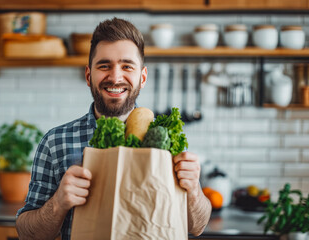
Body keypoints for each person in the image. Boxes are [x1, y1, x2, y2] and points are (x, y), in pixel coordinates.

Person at [16, 17, 212, 240]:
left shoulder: (167, 138)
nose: (116, 77)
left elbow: (197, 226)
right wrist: (58, 202)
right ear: (89, 76)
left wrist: (194, 191)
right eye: (104, 65)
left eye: (127, 66)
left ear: (142, 77)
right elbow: (26, 234)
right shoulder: (55, 142)